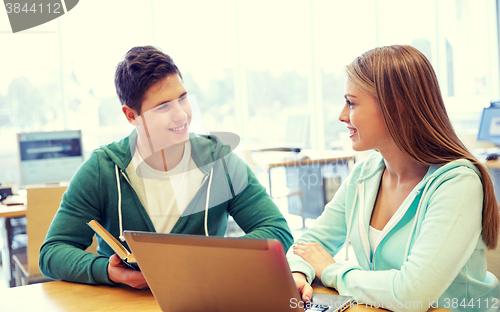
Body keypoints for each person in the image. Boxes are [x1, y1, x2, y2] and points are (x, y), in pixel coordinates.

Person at [39, 46, 293, 289]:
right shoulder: (101, 169)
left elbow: (277, 231)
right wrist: (108, 271)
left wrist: (209, 260)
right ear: (131, 116)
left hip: (203, 299)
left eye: (182, 99)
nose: (181, 115)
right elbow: (53, 252)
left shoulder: (220, 163)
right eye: (163, 106)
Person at [287, 45, 499, 311]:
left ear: (394, 107)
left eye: (351, 103)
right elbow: (307, 245)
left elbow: (412, 294)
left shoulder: (458, 184)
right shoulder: (365, 174)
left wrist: (331, 270)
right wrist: (299, 274)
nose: (342, 116)